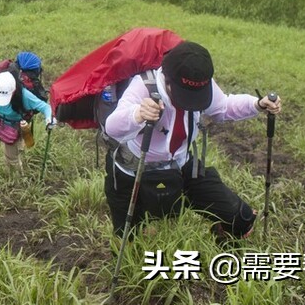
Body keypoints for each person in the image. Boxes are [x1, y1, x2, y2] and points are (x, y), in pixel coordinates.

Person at [102, 41, 283, 240]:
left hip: (182, 166)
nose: (189, 102)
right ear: (167, 79)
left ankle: (222, 240)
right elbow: (112, 127)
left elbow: (223, 107)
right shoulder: (143, 85)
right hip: (133, 172)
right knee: (127, 238)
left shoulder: (201, 82)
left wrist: (257, 104)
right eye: (183, 95)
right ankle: (142, 227)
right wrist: (137, 114)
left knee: (241, 218)